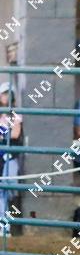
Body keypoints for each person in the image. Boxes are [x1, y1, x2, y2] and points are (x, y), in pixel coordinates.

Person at [0, 82, 22, 235]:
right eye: (4, 93)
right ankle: (4, 228)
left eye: (9, 93)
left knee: (9, 188)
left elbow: (15, 134)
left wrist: (2, 134)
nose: (7, 96)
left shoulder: (15, 114)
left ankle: (5, 224)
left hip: (9, 157)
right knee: (1, 191)